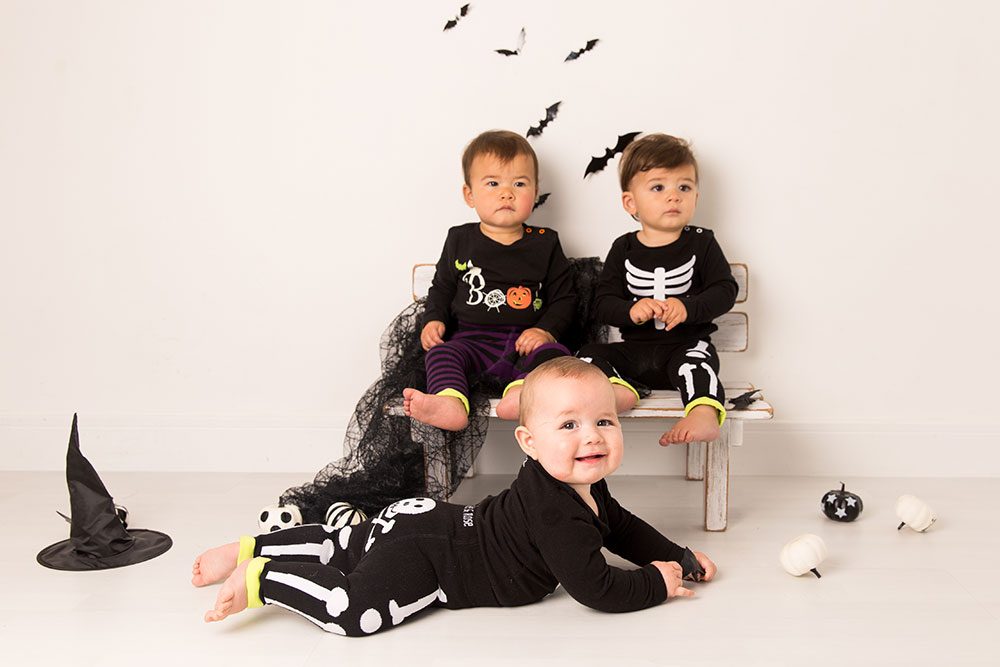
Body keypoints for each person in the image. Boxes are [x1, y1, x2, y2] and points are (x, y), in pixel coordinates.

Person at [193, 357, 716, 636]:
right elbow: (595, 588)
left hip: (425, 519)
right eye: (569, 425)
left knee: (348, 544)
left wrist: (678, 556)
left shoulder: (581, 484)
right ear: (529, 444)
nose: (593, 436)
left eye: (604, 420)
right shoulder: (555, 509)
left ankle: (249, 548)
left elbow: (621, 527)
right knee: (354, 610)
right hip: (433, 559)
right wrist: (655, 583)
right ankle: (265, 578)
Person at [402, 130, 576, 430]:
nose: (506, 193)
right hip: (471, 340)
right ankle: (451, 401)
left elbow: (565, 298)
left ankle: (521, 393)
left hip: (526, 342)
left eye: (519, 184)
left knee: (555, 356)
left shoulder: (545, 243)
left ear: (534, 194)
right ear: (470, 194)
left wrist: (545, 330)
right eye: (493, 183)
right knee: (442, 353)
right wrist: (433, 319)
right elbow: (442, 287)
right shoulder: (460, 239)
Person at [580, 134, 738, 446]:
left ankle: (703, 412)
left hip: (684, 346)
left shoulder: (702, 242)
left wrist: (689, 307)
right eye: (658, 187)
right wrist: (630, 310)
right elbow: (603, 303)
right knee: (587, 355)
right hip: (634, 353)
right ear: (630, 202)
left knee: (699, 361)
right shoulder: (623, 247)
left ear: (696, 195)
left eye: (684, 186)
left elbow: (725, 289)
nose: (674, 196)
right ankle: (617, 389)